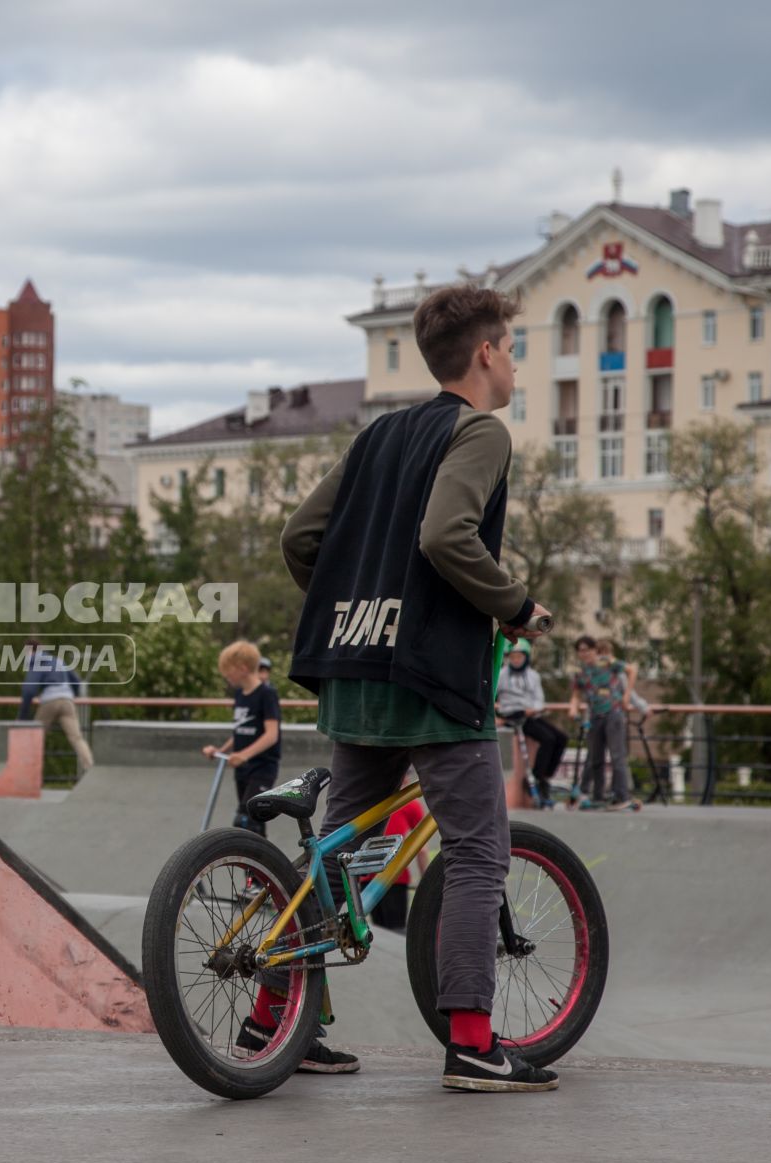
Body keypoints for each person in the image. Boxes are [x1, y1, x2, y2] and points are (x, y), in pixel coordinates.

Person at [279, 284, 558, 1091]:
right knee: (476, 851)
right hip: (434, 680)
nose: (512, 360)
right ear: (484, 354)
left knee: (343, 854)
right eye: (510, 346)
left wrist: (352, 605)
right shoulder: (480, 432)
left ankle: (278, 1024)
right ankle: (473, 1041)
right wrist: (514, 604)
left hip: (354, 670)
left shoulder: (379, 435)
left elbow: (300, 537)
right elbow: (446, 534)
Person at [202, 640, 281, 838]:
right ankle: (258, 868)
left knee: (246, 821)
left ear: (242, 668)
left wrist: (244, 755)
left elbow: (272, 735)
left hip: (262, 768)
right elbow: (240, 731)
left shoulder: (266, 694)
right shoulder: (240, 695)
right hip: (242, 770)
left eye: (228, 671)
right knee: (255, 828)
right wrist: (220, 750)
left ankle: (257, 866)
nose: (226, 676)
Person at [495, 639, 567, 807]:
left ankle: (544, 776)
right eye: (512, 656)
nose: (516, 660)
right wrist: (498, 716)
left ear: (526, 657)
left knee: (561, 738)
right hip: (513, 715)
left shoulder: (533, 676)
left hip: (530, 714)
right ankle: (536, 777)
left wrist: (533, 709)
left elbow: (539, 700)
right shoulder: (502, 674)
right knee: (547, 739)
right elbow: (492, 695)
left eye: (519, 656)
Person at [569, 635, 636, 810]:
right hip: (594, 716)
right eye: (580, 651)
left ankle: (622, 796)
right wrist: (573, 708)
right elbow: (576, 694)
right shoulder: (581, 672)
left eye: (587, 650)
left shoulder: (606, 662)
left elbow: (631, 670)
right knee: (595, 758)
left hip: (613, 713)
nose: (584, 654)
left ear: (594, 650)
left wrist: (627, 694)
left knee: (617, 756)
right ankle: (598, 796)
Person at [16, 638, 94, 773]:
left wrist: (22, 717)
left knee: (35, 738)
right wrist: (72, 695)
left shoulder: (36, 662)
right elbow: (76, 681)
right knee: (77, 738)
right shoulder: (58, 660)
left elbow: (29, 690)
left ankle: (25, 773)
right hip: (67, 701)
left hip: (50, 702)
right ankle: (91, 768)